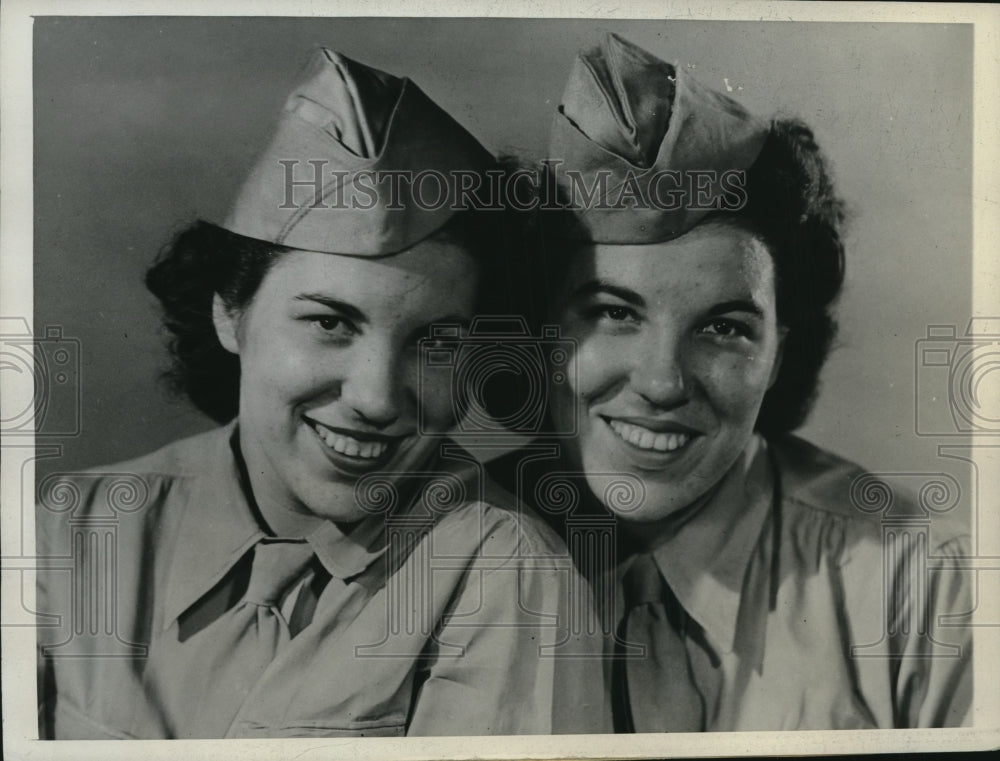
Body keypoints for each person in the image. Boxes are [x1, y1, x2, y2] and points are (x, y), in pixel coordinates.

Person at [36, 48, 610, 739]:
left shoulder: (507, 576)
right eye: (331, 323)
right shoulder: (73, 529)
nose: (375, 396)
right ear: (229, 311)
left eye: (436, 342)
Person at [489, 33, 972, 731]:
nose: (661, 382)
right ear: (537, 328)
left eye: (723, 327)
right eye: (613, 312)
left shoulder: (925, 587)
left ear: (780, 352)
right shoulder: (427, 559)